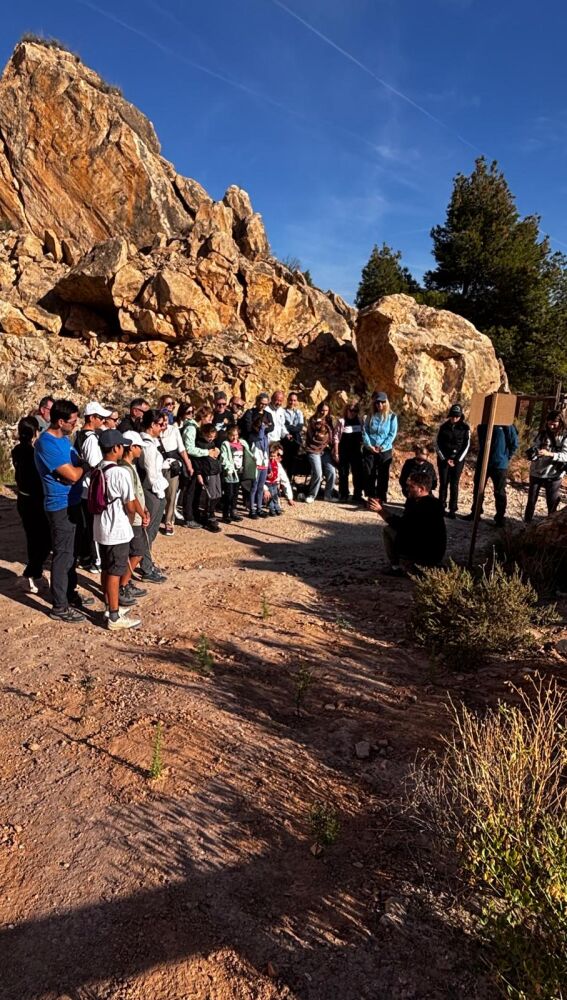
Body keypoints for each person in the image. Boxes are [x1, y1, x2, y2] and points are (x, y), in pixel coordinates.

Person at [34, 399, 94, 622]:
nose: (76, 424)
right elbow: (73, 474)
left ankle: (69, 594)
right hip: (60, 505)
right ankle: (59, 606)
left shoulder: (65, 439)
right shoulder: (46, 444)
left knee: (72, 554)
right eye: (72, 421)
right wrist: (83, 468)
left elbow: (75, 468)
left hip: (73, 501)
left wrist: (79, 469)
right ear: (60, 421)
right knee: (63, 555)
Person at [92, 429, 142, 631]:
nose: (123, 448)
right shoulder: (120, 473)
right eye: (121, 445)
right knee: (115, 571)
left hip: (101, 526)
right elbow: (130, 505)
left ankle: (109, 607)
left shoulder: (98, 469)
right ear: (115, 448)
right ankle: (113, 615)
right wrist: (130, 521)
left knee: (106, 567)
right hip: (116, 528)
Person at [368, 471, 446, 576]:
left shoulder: (427, 506)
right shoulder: (418, 501)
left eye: (411, 486)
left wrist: (381, 511)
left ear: (421, 489)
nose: (407, 488)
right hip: (426, 551)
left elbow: (402, 526)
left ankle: (397, 568)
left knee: (388, 530)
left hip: (425, 554)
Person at [11, 416, 51, 592]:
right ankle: (30, 574)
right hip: (34, 501)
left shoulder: (17, 450)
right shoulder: (32, 453)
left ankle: (35, 573)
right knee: (43, 540)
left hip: (24, 499)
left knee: (34, 538)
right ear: (34, 432)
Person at [75, 401, 111, 572]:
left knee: (86, 525)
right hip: (90, 488)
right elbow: (96, 465)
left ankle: (85, 556)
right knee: (93, 526)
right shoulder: (90, 439)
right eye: (100, 418)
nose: (103, 421)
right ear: (92, 418)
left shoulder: (81, 435)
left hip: (84, 487)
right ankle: (94, 559)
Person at [464, 422, 519, 527]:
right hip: (483, 462)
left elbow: (514, 443)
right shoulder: (483, 423)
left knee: (499, 492)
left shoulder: (506, 424)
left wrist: (505, 457)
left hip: (499, 464)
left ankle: (500, 519)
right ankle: (475, 513)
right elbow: (481, 441)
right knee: (478, 489)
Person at [138, 409, 169, 582]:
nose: (163, 427)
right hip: (152, 491)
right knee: (147, 532)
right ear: (152, 425)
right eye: (160, 424)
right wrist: (161, 492)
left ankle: (146, 562)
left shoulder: (152, 443)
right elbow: (151, 474)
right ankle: (146, 567)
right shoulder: (148, 445)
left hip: (155, 490)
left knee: (151, 531)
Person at [119, 431, 151, 601]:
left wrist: (144, 509)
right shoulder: (125, 468)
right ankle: (122, 586)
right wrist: (141, 513)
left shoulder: (129, 466)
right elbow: (131, 497)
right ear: (131, 447)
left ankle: (126, 581)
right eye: (139, 447)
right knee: (137, 551)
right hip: (133, 518)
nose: (141, 451)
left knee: (135, 551)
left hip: (137, 515)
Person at [523, 409, 567, 523]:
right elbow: (535, 446)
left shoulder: (565, 436)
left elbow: (565, 455)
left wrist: (550, 454)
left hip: (554, 474)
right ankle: (526, 525)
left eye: (554, 423)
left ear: (560, 422)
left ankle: (549, 526)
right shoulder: (542, 434)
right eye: (549, 423)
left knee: (552, 504)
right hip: (536, 472)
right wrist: (533, 454)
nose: (551, 426)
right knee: (531, 501)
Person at [180, 405, 220, 528]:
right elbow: (189, 448)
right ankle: (189, 517)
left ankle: (195, 514)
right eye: (208, 418)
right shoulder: (191, 429)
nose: (210, 422)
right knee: (190, 491)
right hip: (191, 463)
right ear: (202, 417)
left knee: (197, 491)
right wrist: (207, 452)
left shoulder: (198, 428)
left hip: (199, 464)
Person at [159, 398, 193, 536]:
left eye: (167, 420)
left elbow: (182, 449)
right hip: (157, 466)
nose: (165, 423)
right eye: (163, 421)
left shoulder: (174, 430)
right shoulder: (154, 432)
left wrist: (188, 465)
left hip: (172, 467)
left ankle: (169, 522)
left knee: (172, 496)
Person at [436, 404, 471, 518]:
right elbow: (438, 444)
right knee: (443, 483)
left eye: (457, 416)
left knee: (454, 484)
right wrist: (445, 459)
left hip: (458, 460)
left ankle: (452, 509)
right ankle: (441, 507)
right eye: (453, 416)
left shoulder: (465, 428)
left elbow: (466, 445)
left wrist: (456, 460)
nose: (454, 418)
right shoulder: (443, 427)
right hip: (444, 459)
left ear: (461, 416)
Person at [362, 391, 398, 501]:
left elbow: (392, 434)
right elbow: (365, 430)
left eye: (382, 402)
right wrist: (369, 445)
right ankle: (370, 496)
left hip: (385, 449)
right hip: (370, 448)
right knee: (369, 472)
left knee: (383, 474)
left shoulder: (392, 417)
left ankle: (381, 496)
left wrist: (383, 446)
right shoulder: (370, 415)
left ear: (386, 402)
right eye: (377, 402)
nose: (380, 405)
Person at [219, 424, 254, 523]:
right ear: (228, 435)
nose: (234, 437)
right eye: (232, 435)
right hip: (230, 472)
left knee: (235, 493)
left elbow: (248, 453)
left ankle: (233, 512)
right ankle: (226, 514)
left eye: (236, 435)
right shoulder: (225, 444)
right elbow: (224, 458)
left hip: (240, 472)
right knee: (228, 494)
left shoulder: (242, 443)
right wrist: (228, 468)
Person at [303, 403, 337, 504]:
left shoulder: (329, 420)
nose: (324, 412)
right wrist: (323, 439)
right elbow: (313, 437)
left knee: (332, 472)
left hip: (325, 450)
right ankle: (312, 495)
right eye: (322, 410)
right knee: (318, 473)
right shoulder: (313, 421)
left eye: (326, 410)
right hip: (313, 450)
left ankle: (328, 495)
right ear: (318, 409)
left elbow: (331, 434)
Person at [192, 423, 222, 532]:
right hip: (207, 473)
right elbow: (197, 462)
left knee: (217, 495)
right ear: (204, 434)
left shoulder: (212, 444)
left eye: (213, 436)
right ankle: (208, 517)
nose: (211, 439)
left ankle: (210, 514)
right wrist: (199, 474)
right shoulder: (200, 445)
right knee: (210, 496)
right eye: (209, 436)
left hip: (215, 471)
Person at [334, 399, 363, 502]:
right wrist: (336, 453)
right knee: (343, 473)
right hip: (344, 451)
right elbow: (336, 438)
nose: (352, 412)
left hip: (356, 451)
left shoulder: (360, 421)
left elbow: (363, 437)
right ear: (346, 410)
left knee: (357, 473)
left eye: (355, 410)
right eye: (351, 410)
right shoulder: (341, 422)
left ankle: (357, 495)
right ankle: (343, 494)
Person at [247, 413, 270, 518]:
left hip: (264, 464)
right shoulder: (253, 436)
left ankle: (259, 508)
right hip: (256, 464)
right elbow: (259, 438)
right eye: (262, 425)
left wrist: (269, 466)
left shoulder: (266, 436)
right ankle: (252, 509)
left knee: (260, 487)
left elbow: (267, 450)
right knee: (254, 487)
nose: (264, 427)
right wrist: (261, 428)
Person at [265, 442, 294, 514]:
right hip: (265, 486)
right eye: (278, 455)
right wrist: (265, 490)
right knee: (270, 496)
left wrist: (290, 498)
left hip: (274, 485)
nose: (280, 458)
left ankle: (276, 508)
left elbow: (285, 481)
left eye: (280, 455)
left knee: (275, 494)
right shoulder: (265, 464)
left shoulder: (278, 465)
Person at [282, 391, 304, 477]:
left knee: (293, 460)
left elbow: (300, 427)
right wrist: (292, 427)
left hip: (295, 439)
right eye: (291, 400)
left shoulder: (299, 413)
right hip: (285, 439)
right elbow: (283, 425)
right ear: (287, 400)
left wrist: (289, 426)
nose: (292, 402)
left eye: (294, 400)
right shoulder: (282, 411)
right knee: (284, 460)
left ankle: (290, 479)